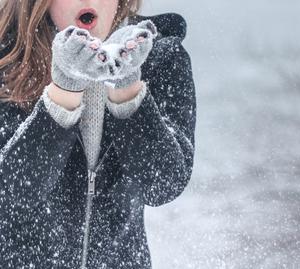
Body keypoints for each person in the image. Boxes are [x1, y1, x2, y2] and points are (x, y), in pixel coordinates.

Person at [0, 0, 196, 268]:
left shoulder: (160, 57)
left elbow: (163, 185)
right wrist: (64, 92)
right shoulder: (7, 59)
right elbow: (11, 193)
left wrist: (127, 90)